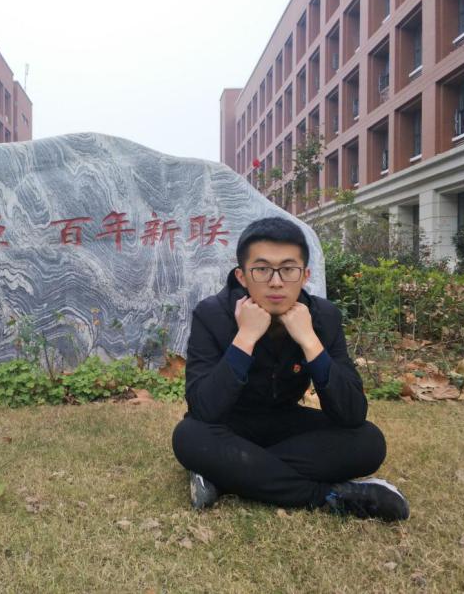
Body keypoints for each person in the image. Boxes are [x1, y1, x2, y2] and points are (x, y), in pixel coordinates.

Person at [171, 216, 409, 521]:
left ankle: (224, 475)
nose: (276, 282)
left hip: (286, 425)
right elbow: (204, 409)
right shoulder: (212, 314)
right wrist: (245, 338)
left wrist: (309, 340)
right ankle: (330, 497)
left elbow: (351, 413)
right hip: (230, 426)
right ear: (242, 276)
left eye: (288, 269)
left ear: (305, 274)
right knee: (190, 436)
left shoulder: (323, 317)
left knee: (368, 442)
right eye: (261, 269)